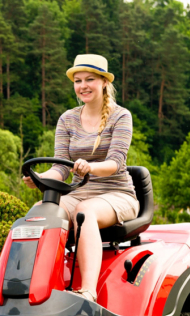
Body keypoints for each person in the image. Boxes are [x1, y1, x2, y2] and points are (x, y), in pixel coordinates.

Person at [23, 54, 139, 302]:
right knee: (39, 213)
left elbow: (115, 163)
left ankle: (87, 291)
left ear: (104, 82)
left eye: (90, 79)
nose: (83, 85)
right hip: (79, 192)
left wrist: (91, 167)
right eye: (78, 80)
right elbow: (60, 168)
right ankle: (33, 287)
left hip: (116, 194)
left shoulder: (121, 116)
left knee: (84, 212)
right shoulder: (67, 119)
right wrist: (40, 177)